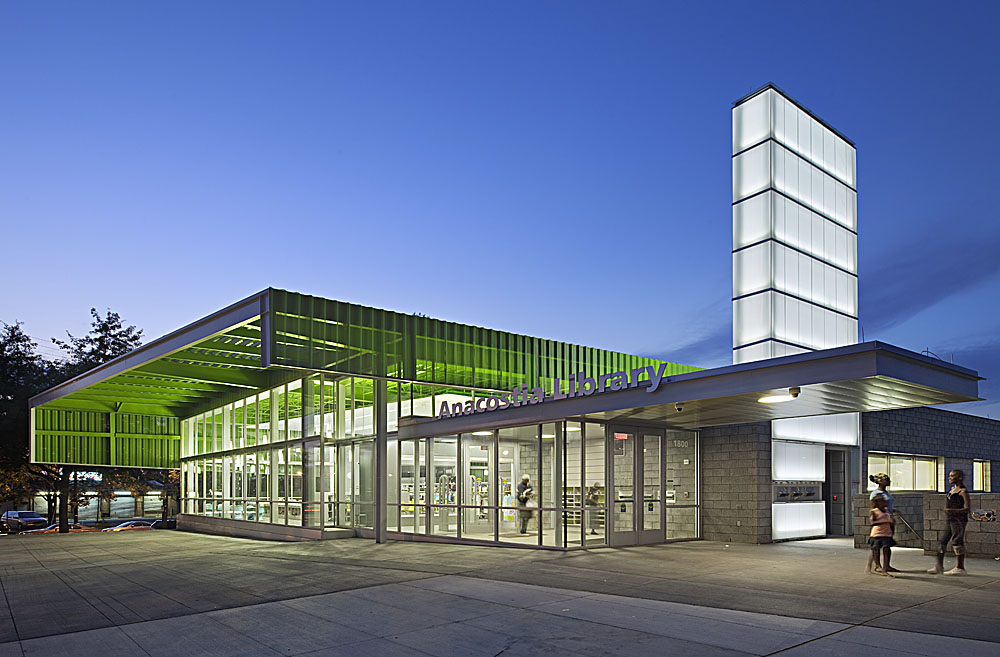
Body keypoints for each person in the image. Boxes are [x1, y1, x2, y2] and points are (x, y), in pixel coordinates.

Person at [928, 469, 970, 576]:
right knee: (942, 541)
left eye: (952, 476)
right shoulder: (952, 490)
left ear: (959, 477)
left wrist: (952, 511)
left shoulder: (962, 491)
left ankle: (960, 567)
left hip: (959, 520)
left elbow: (967, 508)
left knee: (957, 541)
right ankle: (939, 566)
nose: (949, 478)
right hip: (950, 519)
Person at [868, 473, 899, 573]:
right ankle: (877, 565)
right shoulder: (876, 493)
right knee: (877, 546)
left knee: (887, 545)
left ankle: (887, 565)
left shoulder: (887, 493)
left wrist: (891, 511)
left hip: (888, 519)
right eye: (886, 479)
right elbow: (874, 508)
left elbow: (887, 506)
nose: (888, 481)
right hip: (881, 522)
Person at [866, 495, 895, 577]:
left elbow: (891, 521)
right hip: (877, 533)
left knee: (887, 549)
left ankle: (885, 568)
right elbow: (872, 522)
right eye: (882, 501)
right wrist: (885, 521)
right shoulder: (874, 511)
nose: (885, 502)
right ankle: (877, 565)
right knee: (875, 550)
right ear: (878, 503)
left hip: (887, 533)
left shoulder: (886, 511)